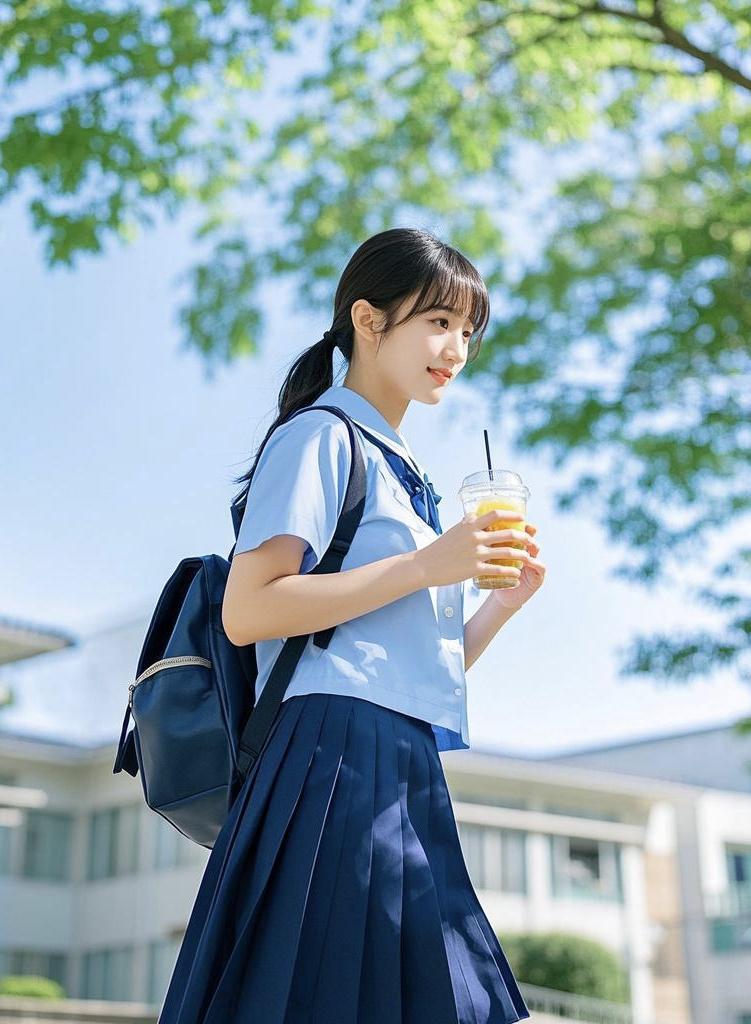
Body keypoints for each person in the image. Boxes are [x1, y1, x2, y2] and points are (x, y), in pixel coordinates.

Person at [158, 227, 546, 1023]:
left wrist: (499, 603)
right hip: (330, 756)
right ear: (368, 320)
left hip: (402, 755)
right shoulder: (320, 438)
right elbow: (249, 610)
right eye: (438, 322)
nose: (456, 348)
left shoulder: (413, 476)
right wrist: (431, 565)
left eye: (468, 332)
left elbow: (409, 668)